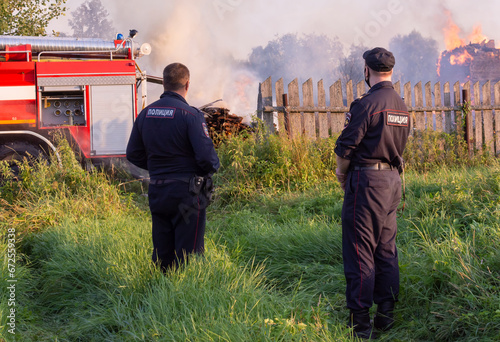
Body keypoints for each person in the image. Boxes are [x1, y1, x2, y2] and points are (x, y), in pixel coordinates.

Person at [334, 47, 410, 339]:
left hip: (367, 182)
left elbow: (345, 148)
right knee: (386, 248)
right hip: (392, 181)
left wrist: (342, 174)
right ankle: (386, 315)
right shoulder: (402, 106)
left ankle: (360, 324)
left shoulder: (365, 104)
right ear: (392, 71)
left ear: (367, 71)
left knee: (359, 249)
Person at [126, 63, 220, 272]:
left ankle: (161, 293)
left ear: (164, 83)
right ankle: (184, 296)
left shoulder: (145, 114)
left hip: (158, 191)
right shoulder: (190, 115)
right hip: (187, 193)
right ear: (187, 84)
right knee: (189, 255)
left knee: (162, 253)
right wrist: (212, 167)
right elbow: (207, 159)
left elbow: (132, 154)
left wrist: (157, 168)